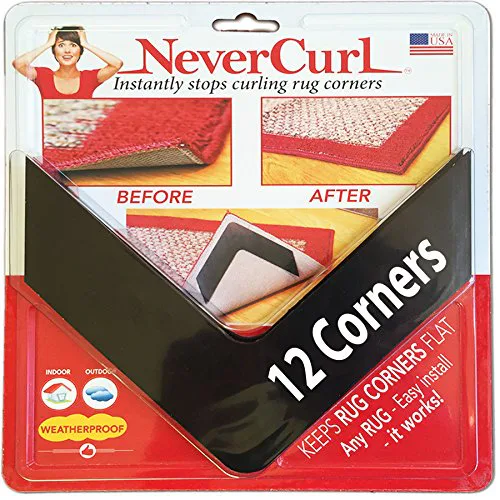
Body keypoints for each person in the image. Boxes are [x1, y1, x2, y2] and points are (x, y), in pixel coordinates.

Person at [12, 26, 123, 99]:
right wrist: (48, 44)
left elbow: (116, 64)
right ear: (54, 51)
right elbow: (18, 64)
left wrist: (85, 44)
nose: (67, 50)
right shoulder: (43, 76)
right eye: (61, 45)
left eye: (73, 45)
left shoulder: (89, 78)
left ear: (80, 51)